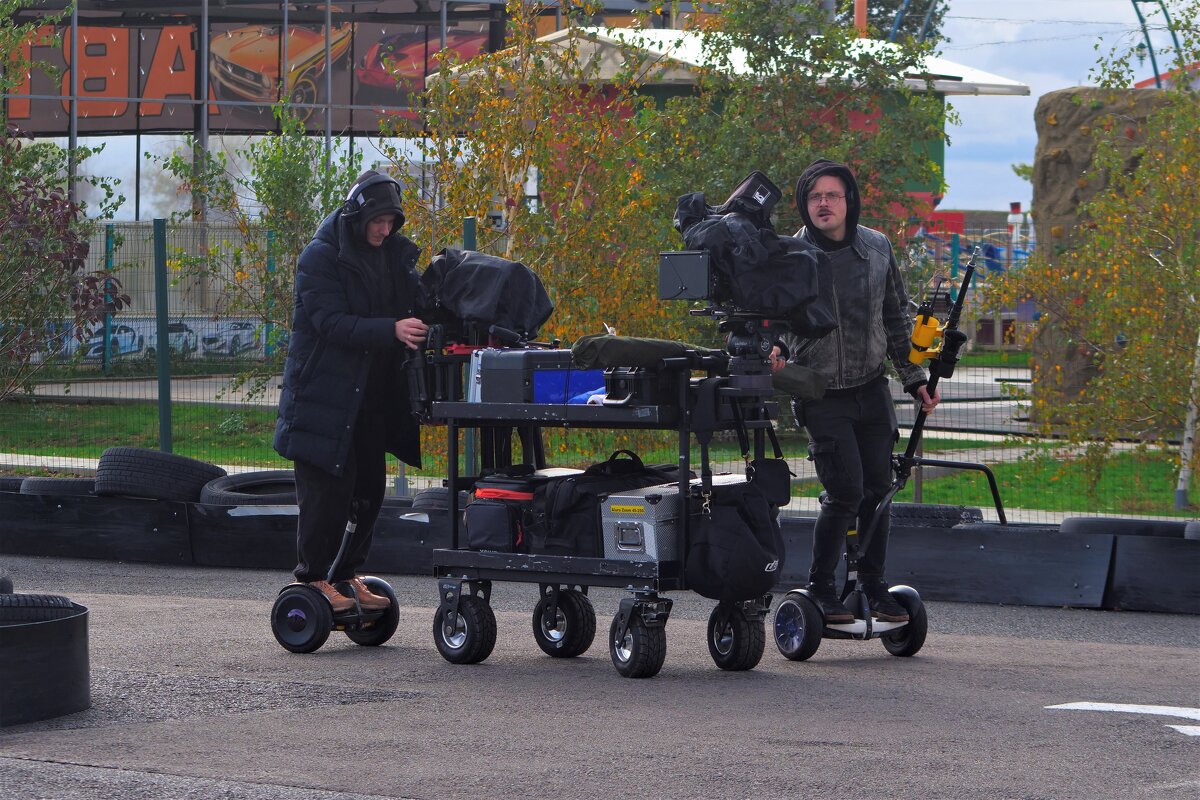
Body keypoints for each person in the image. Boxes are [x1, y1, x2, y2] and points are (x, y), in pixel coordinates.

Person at [771, 158, 940, 624]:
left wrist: (916, 379)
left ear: (850, 201)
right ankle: (822, 589)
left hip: (871, 390)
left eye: (832, 195)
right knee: (844, 492)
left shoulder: (878, 248)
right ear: (806, 205)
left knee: (878, 492)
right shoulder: (790, 256)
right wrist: (775, 347)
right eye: (814, 196)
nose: (823, 203)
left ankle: (872, 587)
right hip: (820, 393)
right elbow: (773, 323)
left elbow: (897, 319)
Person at [274, 169, 428, 613]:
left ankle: (346, 574)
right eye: (378, 221)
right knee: (327, 496)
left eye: (392, 222)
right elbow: (330, 323)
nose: (385, 229)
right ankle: (313, 578)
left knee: (370, 491)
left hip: (368, 400)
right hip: (322, 400)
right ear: (359, 213)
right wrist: (393, 329)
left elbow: (417, 301)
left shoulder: (393, 255)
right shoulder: (320, 257)